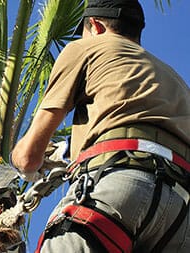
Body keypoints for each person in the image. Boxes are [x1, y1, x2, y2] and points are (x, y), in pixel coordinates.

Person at [10, 0, 190, 252]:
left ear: (94, 25)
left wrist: (21, 162)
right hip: (181, 214)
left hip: (119, 189)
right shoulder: (176, 80)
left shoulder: (87, 48)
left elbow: (28, 157)